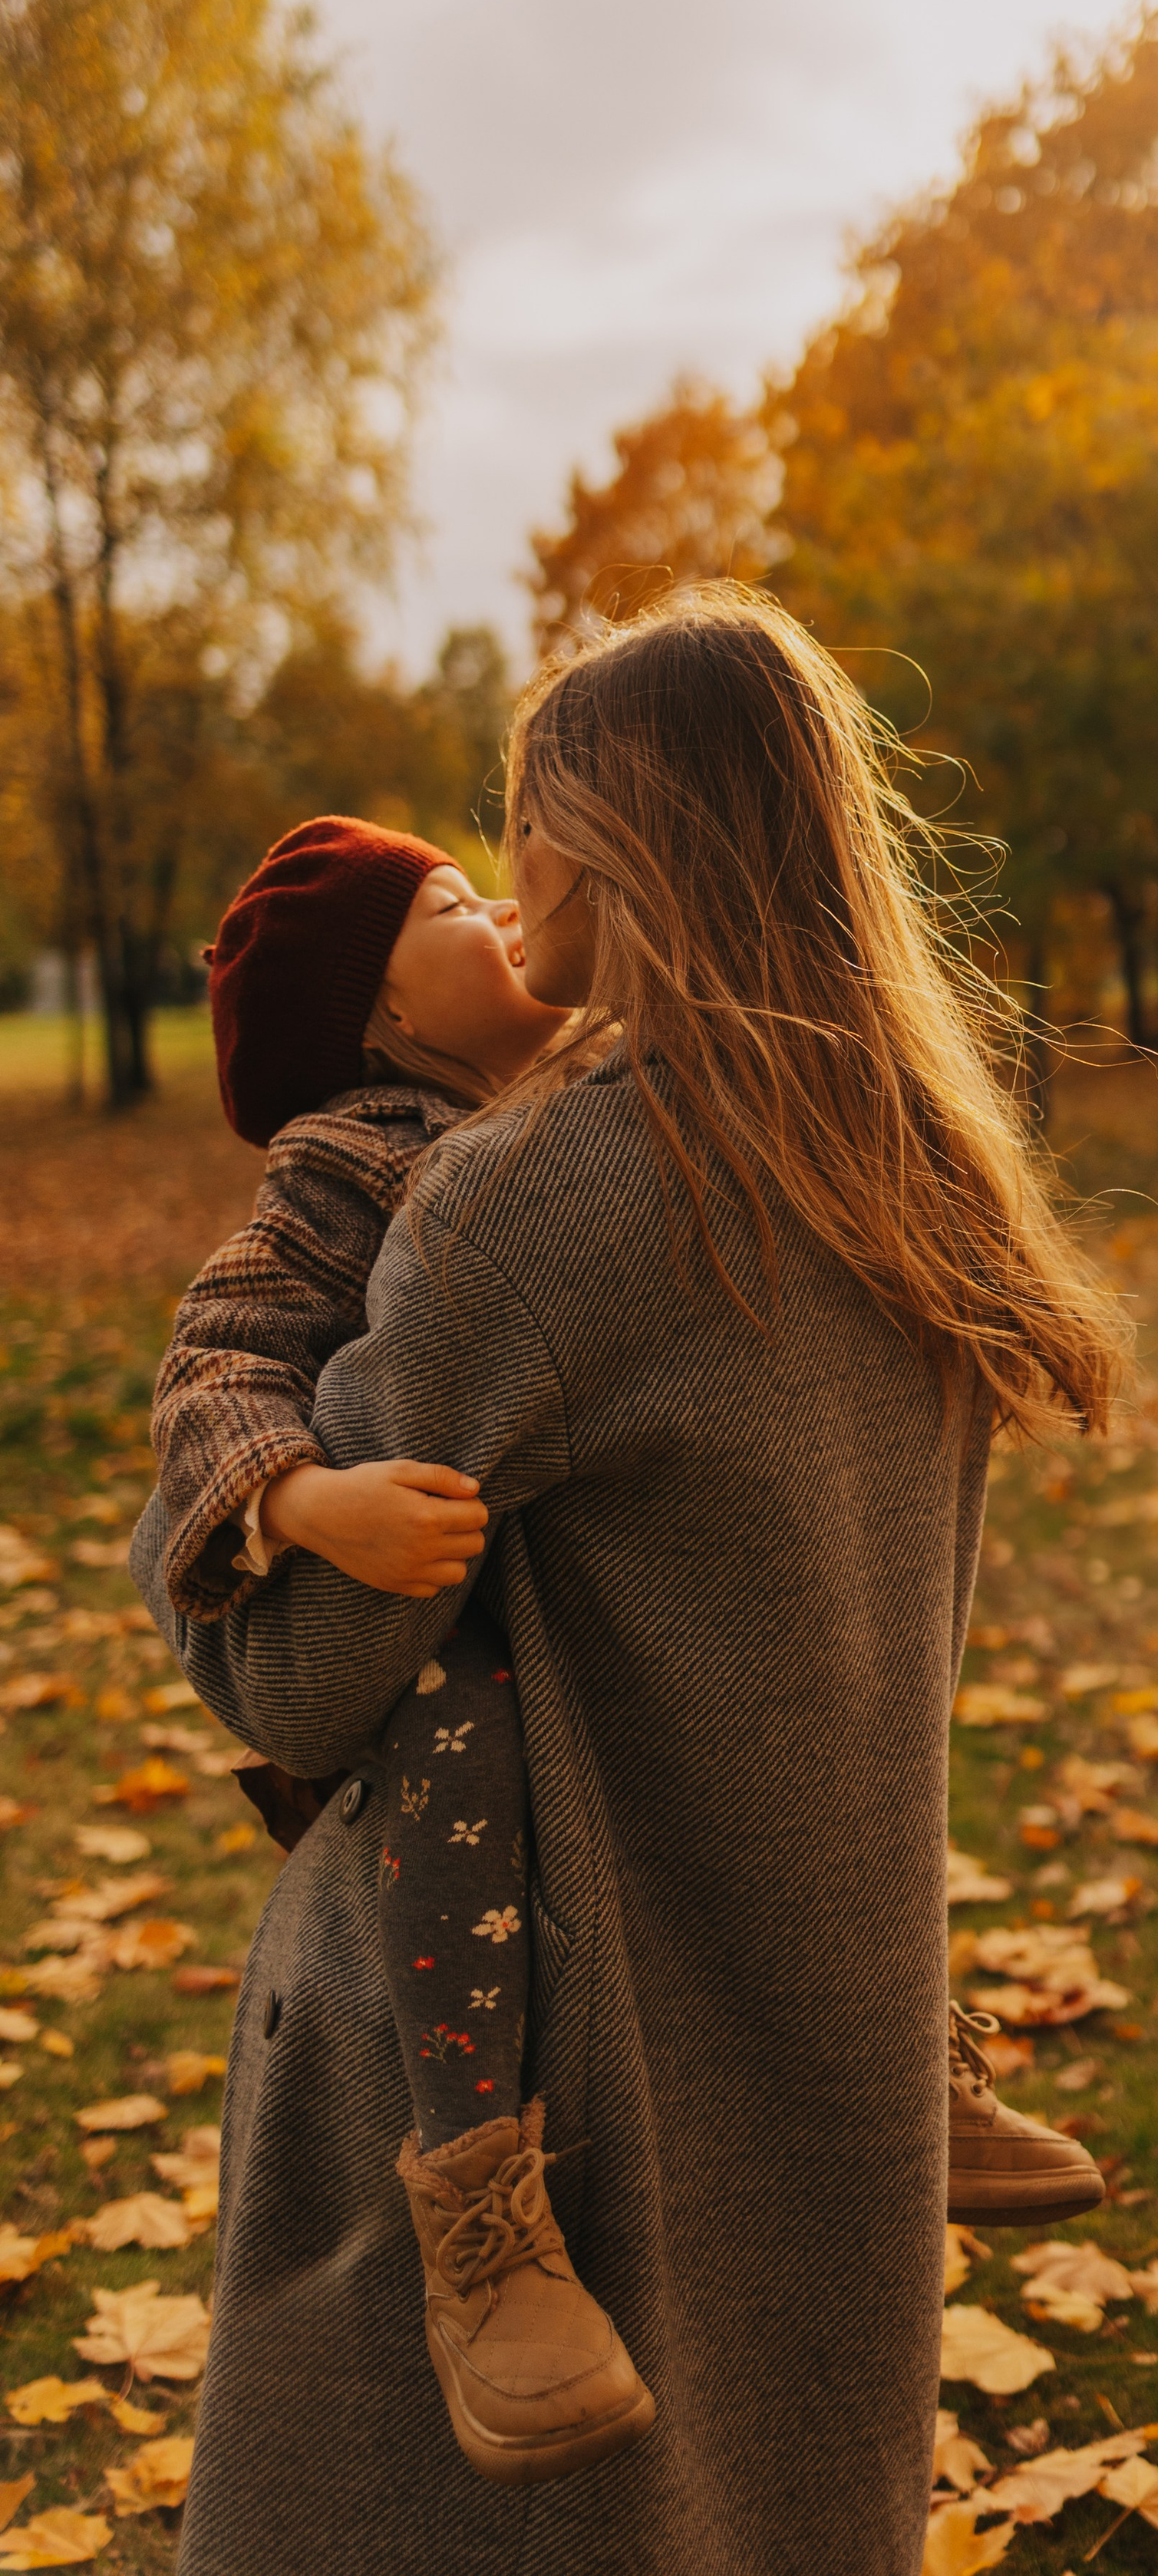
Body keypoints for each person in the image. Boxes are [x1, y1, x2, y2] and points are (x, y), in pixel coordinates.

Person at [134, 585, 1129, 2576]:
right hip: (821, 2038)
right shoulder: (912, 1160)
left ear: (593, 838)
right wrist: (273, 1470)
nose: (502, 884)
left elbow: (304, 1686)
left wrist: (260, 1549)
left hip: (559, 2087)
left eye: (515, 826)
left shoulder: (553, 1193)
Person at [152, 814, 655, 2484]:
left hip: (581, 1589)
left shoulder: (602, 1086)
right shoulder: (354, 1152)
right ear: (384, 1022)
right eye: (451, 903)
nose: (502, 900)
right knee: (459, 1727)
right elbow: (214, 1363)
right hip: (421, 1617)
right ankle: (478, 2205)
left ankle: (890, 2034)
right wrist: (307, 1502)